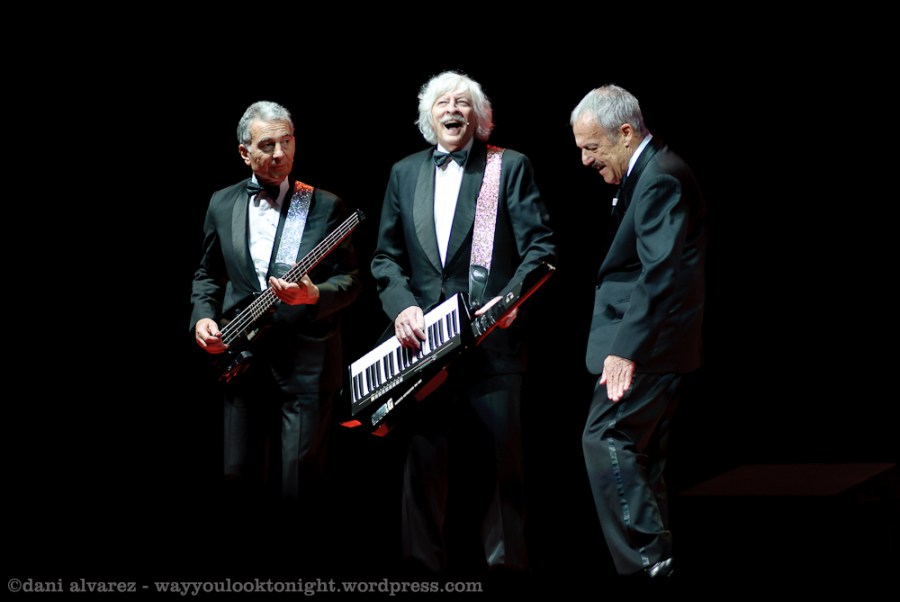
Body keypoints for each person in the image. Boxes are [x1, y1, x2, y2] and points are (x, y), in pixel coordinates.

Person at [370, 71, 557, 577]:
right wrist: (401, 306)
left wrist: (512, 299)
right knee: (422, 473)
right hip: (423, 349)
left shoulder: (507, 166)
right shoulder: (404, 172)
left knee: (501, 475)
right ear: (429, 117)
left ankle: (507, 574)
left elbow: (540, 248)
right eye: (443, 102)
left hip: (492, 344)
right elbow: (386, 258)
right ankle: (420, 575)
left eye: (463, 102)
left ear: (479, 116)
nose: (452, 109)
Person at [190, 101, 361, 519]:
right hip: (242, 359)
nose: (280, 153)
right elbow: (207, 274)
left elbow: (352, 281)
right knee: (237, 479)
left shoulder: (324, 205)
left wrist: (313, 295)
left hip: (306, 365)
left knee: (299, 487)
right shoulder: (222, 203)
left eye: (287, 142)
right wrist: (203, 317)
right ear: (244, 152)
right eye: (267, 145)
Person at [571, 85, 706, 580]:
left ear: (625, 133)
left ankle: (648, 564)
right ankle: (657, 564)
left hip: (648, 347)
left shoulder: (660, 177)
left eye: (592, 147)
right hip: (658, 346)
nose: (585, 160)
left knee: (605, 437)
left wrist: (625, 350)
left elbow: (660, 272)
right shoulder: (647, 172)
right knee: (642, 460)